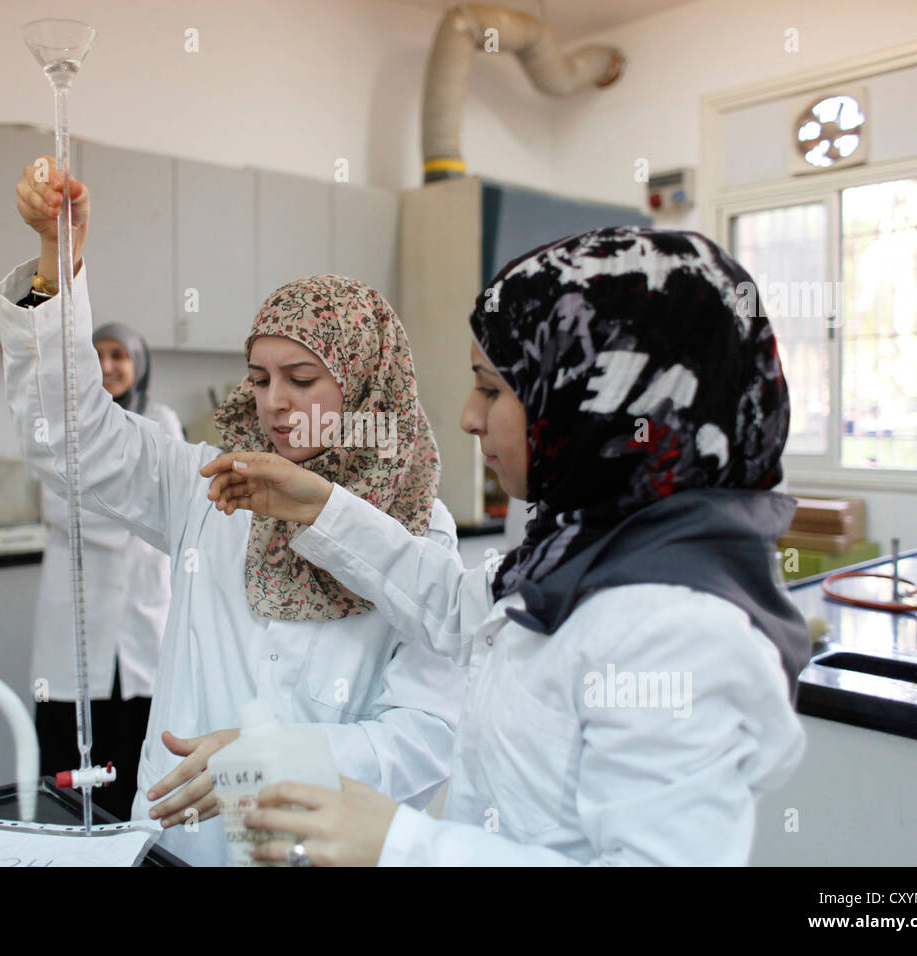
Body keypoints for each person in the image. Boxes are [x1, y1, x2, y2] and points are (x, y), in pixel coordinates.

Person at [202, 227, 811, 866]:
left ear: (595, 396)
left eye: (492, 388)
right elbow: (458, 609)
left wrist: (401, 846)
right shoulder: (583, 545)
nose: (468, 415)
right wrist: (321, 506)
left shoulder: (677, 627)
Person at [0, 158, 467, 865]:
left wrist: (271, 760)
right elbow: (68, 439)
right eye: (259, 378)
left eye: (302, 379)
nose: (274, 401)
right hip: (178, 840)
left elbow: (426, 732)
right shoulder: (210, 485)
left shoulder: (416, 529)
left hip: (316, 847)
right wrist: (55, 268)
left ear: (368, 386)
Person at [29, 320, 182, 821]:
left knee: (137, 747)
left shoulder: (161, 420)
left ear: (139, 364)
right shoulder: (61, 421)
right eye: (98, 354)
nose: (109, 364)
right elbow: (58, 509)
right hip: (77, 613)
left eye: (120, 354)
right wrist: (132, 503)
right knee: (67, 757)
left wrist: (100, 501)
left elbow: (168, 499)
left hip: (142, 614)